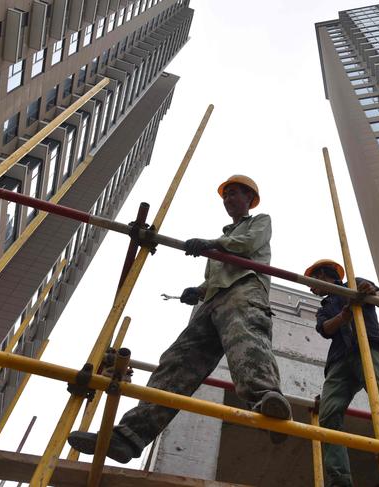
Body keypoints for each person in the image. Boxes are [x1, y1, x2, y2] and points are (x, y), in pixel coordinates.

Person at [69, 175, 291, 463]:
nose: (228, 200)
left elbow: (247, 245)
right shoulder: (224, 240)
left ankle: (267, 401)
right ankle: (129, 436)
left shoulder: (259, 221)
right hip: (212, 301)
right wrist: (197, 291)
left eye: (234, 194)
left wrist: (212, 244)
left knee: (246, 340)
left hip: (244, 289)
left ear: (249, 198)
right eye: (225, 196)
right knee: (177, 362)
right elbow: (215, 276)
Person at [305, 259, 379, 487]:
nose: (311, 289)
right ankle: (339, 479)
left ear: (322, 275)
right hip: (339, 360)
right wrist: (344, 316)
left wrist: (371, 291)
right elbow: (325, 329)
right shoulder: (325, 306)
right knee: (328, 415)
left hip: (366, 346)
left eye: (312, 282)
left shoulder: (355, 283)